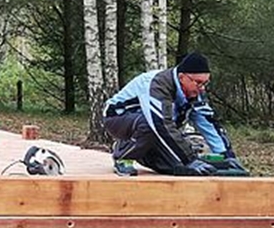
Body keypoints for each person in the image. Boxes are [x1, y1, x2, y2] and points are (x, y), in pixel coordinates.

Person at [103, 51, 244, 176]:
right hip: (118, 118)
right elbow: (160, 124)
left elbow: (208, 122)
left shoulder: (195, 92)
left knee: (177, 167)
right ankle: (123, 155)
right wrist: (190, 159)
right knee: (150, 125)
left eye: (205, 83)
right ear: (182, 77)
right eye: (198, 82)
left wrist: (227, 155)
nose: (202, 88)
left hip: (154, 127)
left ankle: (143, 152)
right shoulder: (158, 84)